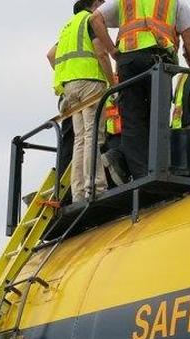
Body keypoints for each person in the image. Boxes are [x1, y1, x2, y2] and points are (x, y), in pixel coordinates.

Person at [91, 0, 190, 181]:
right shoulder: (174, 3)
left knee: (133, 119)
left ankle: (140, 174)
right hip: (158, 60)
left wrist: (113, 51)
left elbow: (95, 19)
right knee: (157, 117)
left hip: (129, 60)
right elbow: (189, 38)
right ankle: (157, 170)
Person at [49, 0, 115, 202]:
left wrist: (70, 76)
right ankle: (95, 187)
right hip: (90, 82)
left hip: (70, 87)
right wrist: (112, 84)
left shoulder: (68, 27)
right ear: (94, 4)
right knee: (93, 135)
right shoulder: (91, 20)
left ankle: (78, 193)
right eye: (102, 3)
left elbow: (51, 55)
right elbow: (101, 53)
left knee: (80, 140)